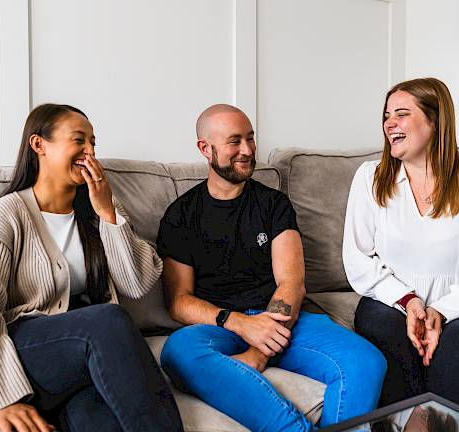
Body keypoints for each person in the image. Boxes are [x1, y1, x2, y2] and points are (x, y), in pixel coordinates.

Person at [0, 104, 183, 432]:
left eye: (93, 143)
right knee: (108, 320)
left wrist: (107, 211)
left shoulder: (99, 208)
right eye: (79, 140)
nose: (89, 151)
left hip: (75, 367)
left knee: (102, 421)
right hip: (20, 357)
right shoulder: (5, 215)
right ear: (39, 145)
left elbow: (137, 282)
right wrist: (1, 399)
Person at [157, 104, 387, 431]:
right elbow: (179, 301)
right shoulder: (181, 215)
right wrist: (238, 324)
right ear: (205, 148)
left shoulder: (272, 204)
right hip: (219, 326)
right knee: (178, 353)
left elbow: (291, 282)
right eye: (234, 141)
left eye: (250, 139)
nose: (248, 150)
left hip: (283, 321)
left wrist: (260, 348)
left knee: (366, 362)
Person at [343, 77, 459, 412]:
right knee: (382, 327)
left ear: (435, 120)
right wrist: (410, 302)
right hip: (393, 303)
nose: (389, 123)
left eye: (401, 114)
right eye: (386, 115)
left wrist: (442, 310)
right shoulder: (370, 177)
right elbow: (358, 258)